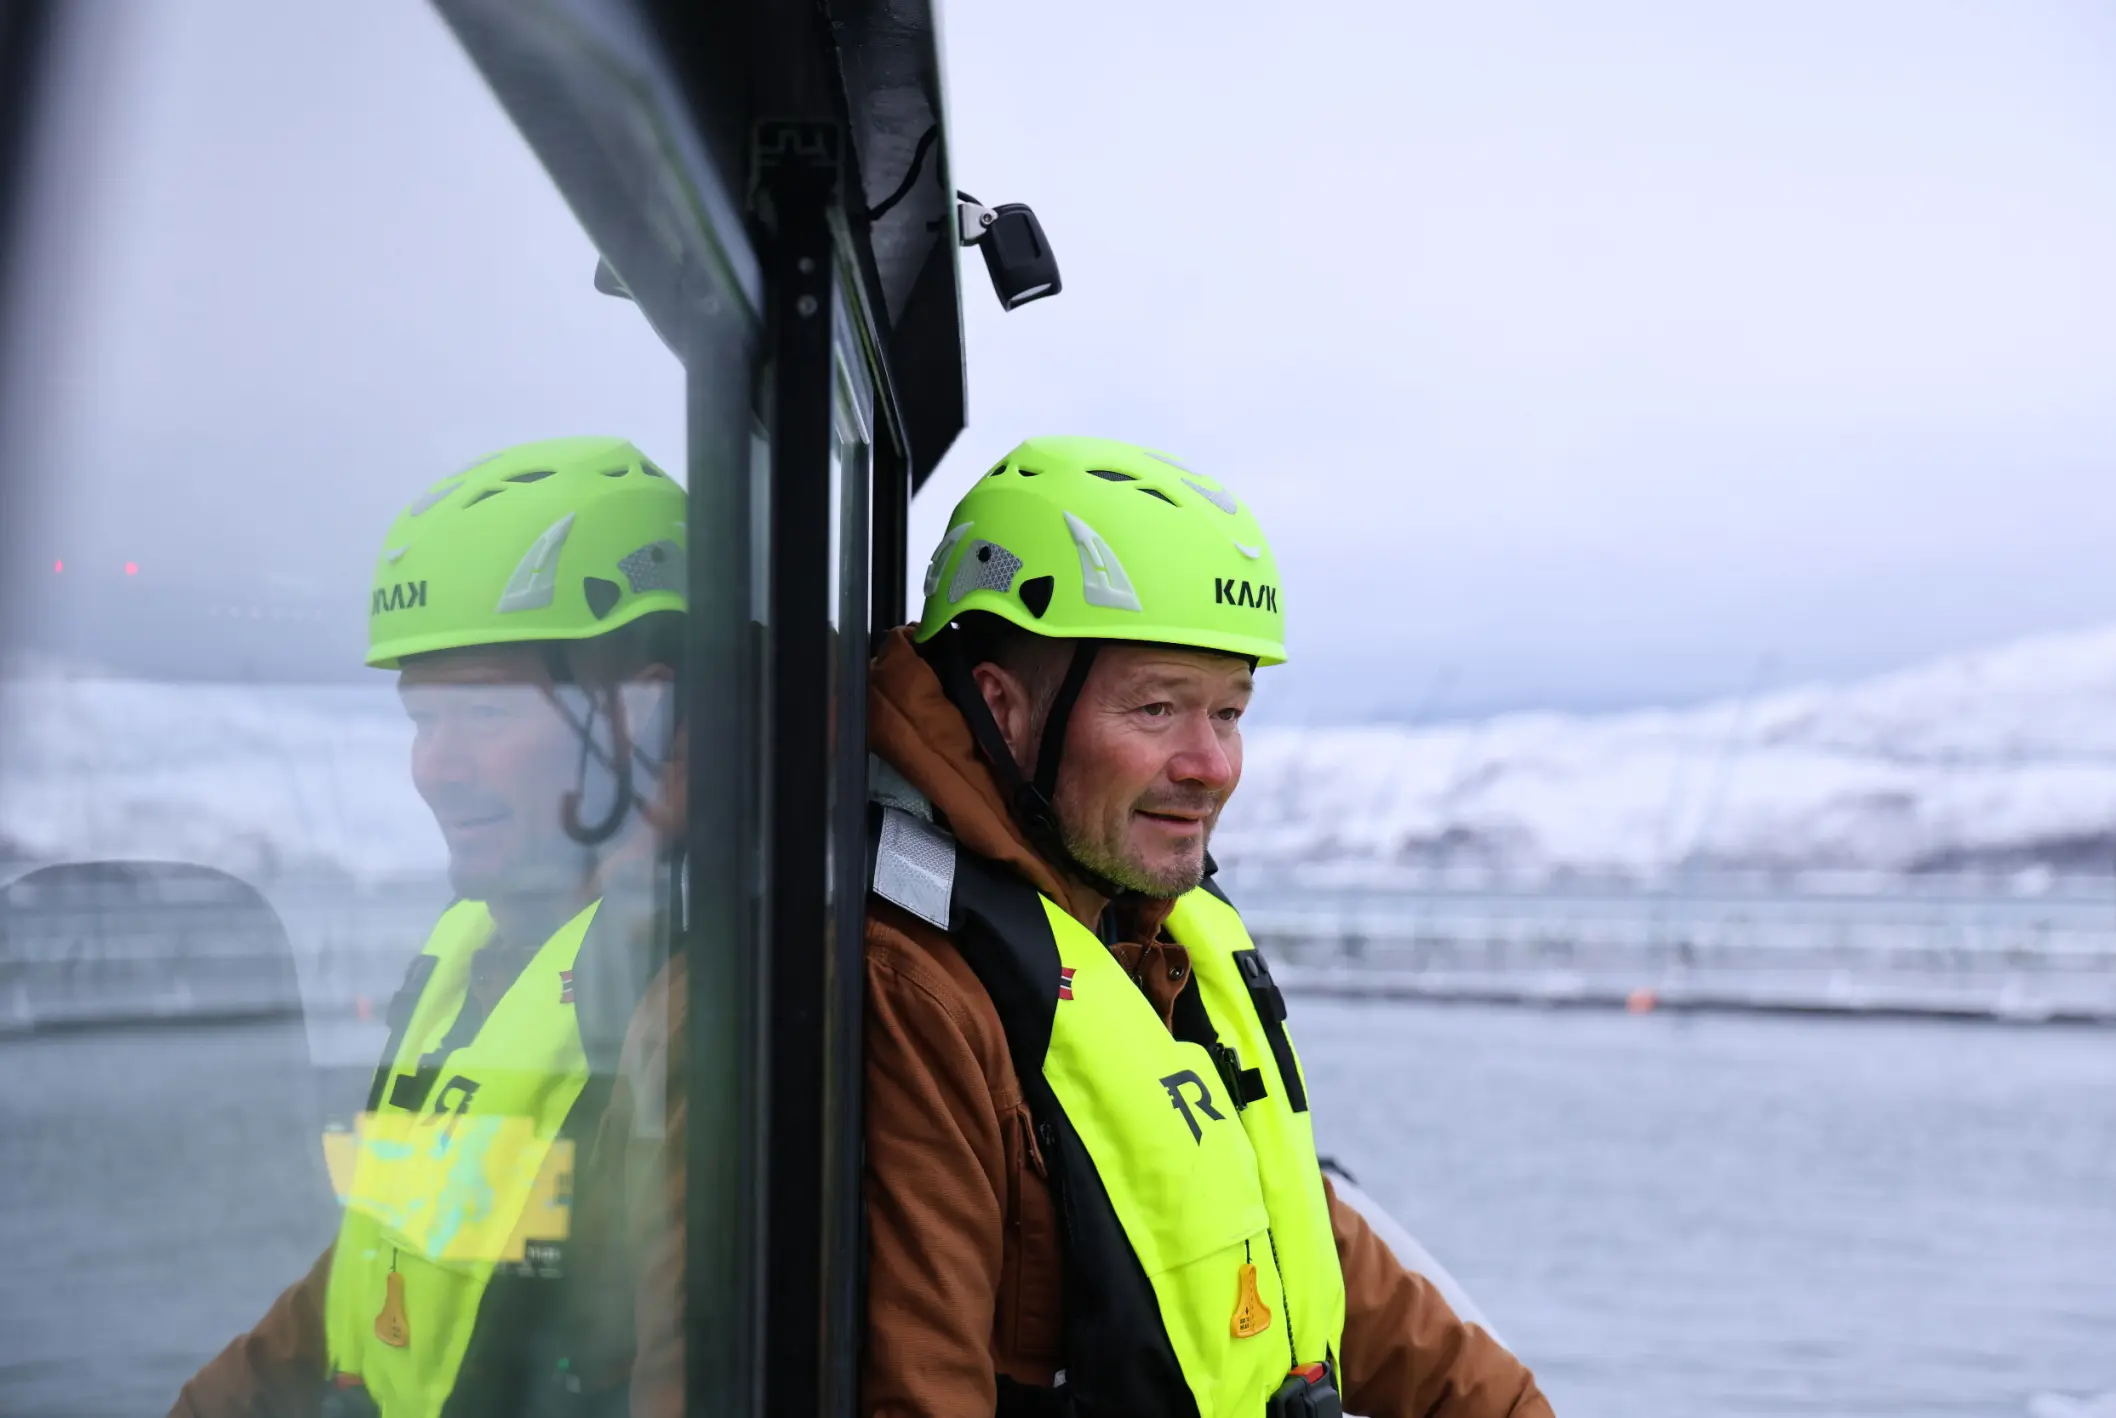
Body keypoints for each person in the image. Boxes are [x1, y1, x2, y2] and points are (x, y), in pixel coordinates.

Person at [862, 435, 1553, 1417]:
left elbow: (1296, 1236)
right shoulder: (912, 988)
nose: (1212, 766)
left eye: (1229, 712)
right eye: (1157, 708)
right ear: (1001, 710)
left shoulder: (1147, 932)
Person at [172, 436, 692, 1418]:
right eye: (422, 719)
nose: (435, 769)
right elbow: (379, 1261)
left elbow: (693, 1364)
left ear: (643, 711)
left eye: (485, 714)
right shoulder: (480, 954)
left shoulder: (690, 993)